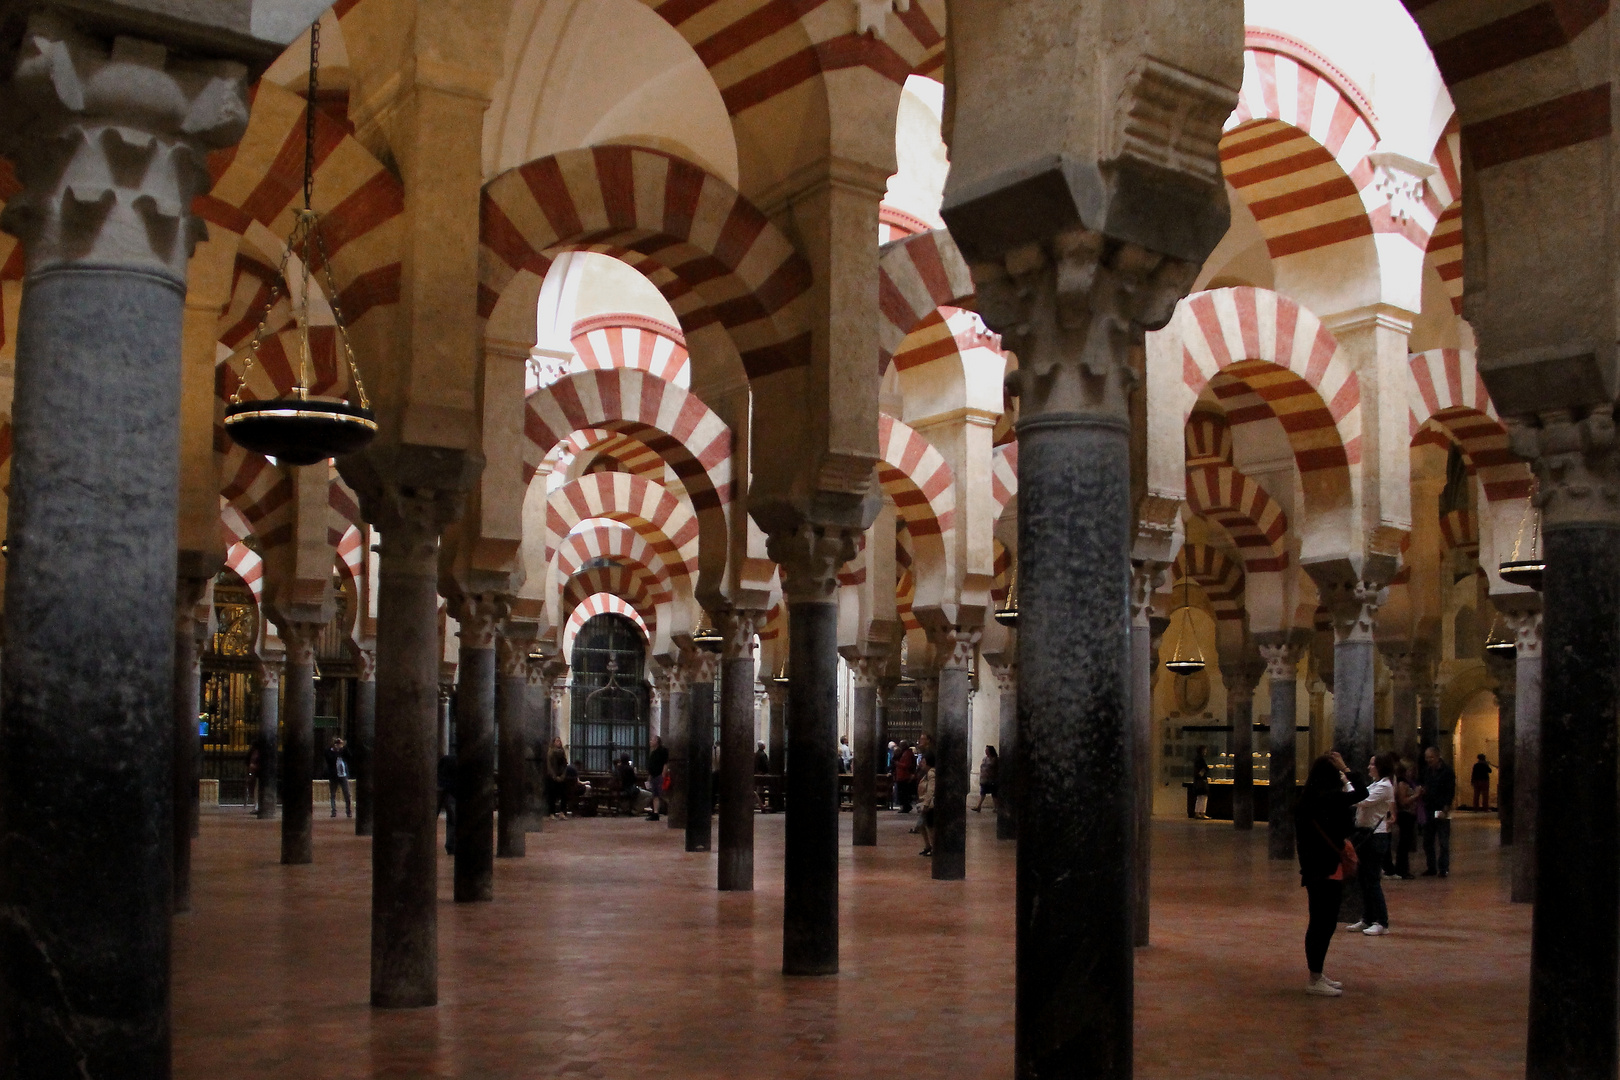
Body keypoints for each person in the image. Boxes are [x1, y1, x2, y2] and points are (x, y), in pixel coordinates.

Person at [1295, 751, 1367, 997]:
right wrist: (1346, 768)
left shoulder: (1307, 799)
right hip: (1325, 868)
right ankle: (1314, 978)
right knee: (1322, 924)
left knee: (1321, 922)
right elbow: (1362, 793)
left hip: (1316, 868)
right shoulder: (1329, 799)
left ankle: (1317, 973)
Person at [1347, 751, 1397, 937]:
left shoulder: (1384, 786)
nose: (1369, 767)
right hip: (1365, 834)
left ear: (1381, 767)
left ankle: (1381, 921)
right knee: (1363, 879)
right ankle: (1367, 918)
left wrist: (1346, 781)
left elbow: (1363, 800)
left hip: (1376, 836)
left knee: (1372, 880)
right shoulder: (1376, 784)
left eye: (1372, 764)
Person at [1419, 745, 1455, 877]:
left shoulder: (1447, 771)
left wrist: (1446, 807)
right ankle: (1431, 867)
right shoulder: (1426, 771)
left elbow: (1450, 790)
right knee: (1427, 840)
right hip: (1429, 808)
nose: (1428, 760)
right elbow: (1422, 784)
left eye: (1431, 757)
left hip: (1441, 808)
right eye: (1427, 757)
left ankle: (1443, 868)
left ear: (1438, 757)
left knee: (1443, 841)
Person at [1391, 759, 1419, 879]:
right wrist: (1416, 795)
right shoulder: (1402, 783)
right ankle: (1402, 869)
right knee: (1404, 843)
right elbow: (1403, 801)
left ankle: (1403, 868)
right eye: (1410, 770)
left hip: (1410, 815)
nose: (1413, 772)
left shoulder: (1408, 782)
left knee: (1406, 843)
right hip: (1405, 815)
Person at [325, 737, 352, 818]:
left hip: (343, 775)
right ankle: (333, 811)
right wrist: (336, 750)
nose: (338, 745)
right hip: (334, 776)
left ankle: (348, 811)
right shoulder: (329, 752)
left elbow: (350, 756)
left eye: (338, 743)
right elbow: (330, 759)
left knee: (347, 793)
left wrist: (343, 747)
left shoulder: (343, 751)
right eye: (336, 743)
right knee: (333, 794)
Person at [917, 752, 937, 857]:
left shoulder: (931, 773)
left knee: (929, 826)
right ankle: (928, 846)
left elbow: (931, 790)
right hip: (926, 803)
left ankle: (933, 847)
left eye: (923, 762)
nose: (921, 764)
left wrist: (926, 804)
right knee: (922, 825)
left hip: (929, 805)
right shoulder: (928, 773)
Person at [436, 752, 456, 855]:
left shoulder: (446, 760)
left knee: (452, 819)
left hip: (444, 789)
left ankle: (451, 846)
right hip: (451, 791)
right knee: (453, 819)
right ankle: (451, 846)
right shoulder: (453, 761)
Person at [545, 736, 568, 819]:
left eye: (559, 741)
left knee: (563, 794)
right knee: (552, 795)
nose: (559, 742)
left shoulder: (562, 752)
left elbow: (565, 764)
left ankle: (562, 812)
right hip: (552, 777)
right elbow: (549, 766)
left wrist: (562, 776)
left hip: (561, 775)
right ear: (554, 742)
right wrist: (554, 776)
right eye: (557, 741)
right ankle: (552, 813)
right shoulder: (550, 752)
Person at [646, 736, 669, 821]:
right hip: (654, 775)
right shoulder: (653, 752)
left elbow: (665, 763)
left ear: (657, 741)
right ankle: (655, 812)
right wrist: (649, 776)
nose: (650, 741)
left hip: (659, 775)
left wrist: (663, 774)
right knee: (655, 795)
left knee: (659, 794)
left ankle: (657, 812)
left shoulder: (662, 751)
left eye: (652, 740)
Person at [972, 745, 998, 812]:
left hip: (992, 779)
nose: (986, 751)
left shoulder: (995, 759)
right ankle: (978, 806)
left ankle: (996, 807)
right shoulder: (984, 759)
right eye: (985, 750)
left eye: (987, 750)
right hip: (984, 779)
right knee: (982, 793)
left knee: (994, 794)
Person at [893, 742, 918, 813]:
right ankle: (905, 806)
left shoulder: (907, 754)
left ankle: (906, 806)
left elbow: (906, 765)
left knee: (903, 793)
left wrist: (898, 764)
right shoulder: (905, 753)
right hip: (902, 776)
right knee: (903, 793)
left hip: (904, 776)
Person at [1192, 745, 1211, 819]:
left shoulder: (1196, 759)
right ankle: (1202, 812)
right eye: (1205, 750)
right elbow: (1204, 769)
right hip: (1202, 781)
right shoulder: (1201, 760)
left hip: (1197, 781)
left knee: (1199, 797)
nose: (1206, 752)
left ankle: (1197, 812)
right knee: (1203, 797)